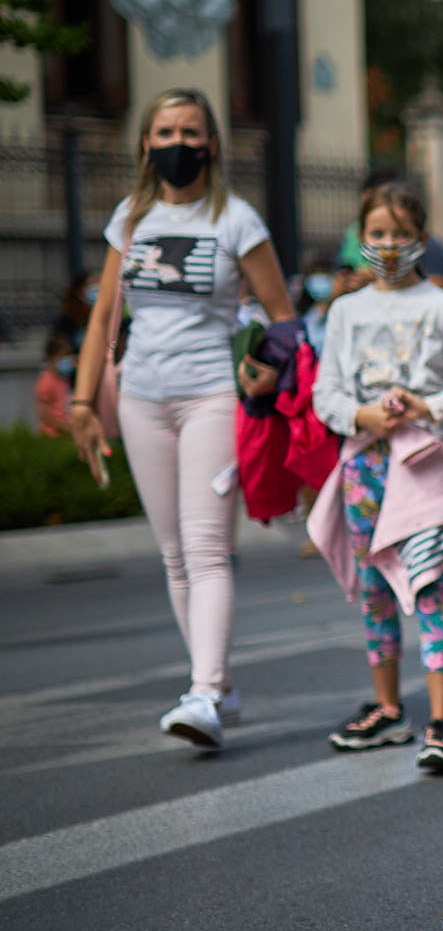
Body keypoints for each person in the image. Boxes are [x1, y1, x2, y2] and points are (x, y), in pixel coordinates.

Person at [68, 88, 297, 748]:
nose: (177, 143)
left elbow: (282, 317)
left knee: (205, 548)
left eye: (190, 131)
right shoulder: (130, 218)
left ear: (213, 144)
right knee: (173, 555)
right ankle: (217, 680)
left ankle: (202, 693)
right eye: (165, 130)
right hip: (142, 397)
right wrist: (84, 403)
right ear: (146, 142)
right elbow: (104, 319)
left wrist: (269, 370)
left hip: (212, 397)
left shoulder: (236, 220)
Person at [310, 181, 443, 773]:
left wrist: (431, 406)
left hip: (423, 468)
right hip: (364, 468)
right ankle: (388, 708)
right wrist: (359, 415)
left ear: (422, 239)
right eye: (377, 234)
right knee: (375, 591)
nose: (389, 246)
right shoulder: (345, 312)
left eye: (401, 234)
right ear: (359, 238)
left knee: (428, 586)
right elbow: (325, 393)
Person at [36, 333, 75, 438]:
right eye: (63, 356)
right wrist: (61, 426)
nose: (67, 360)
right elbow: (43, 409)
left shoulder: (64, 378)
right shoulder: (46, 380)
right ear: (50, 357)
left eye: (68, 356)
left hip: (65, 432)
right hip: (52, 433)